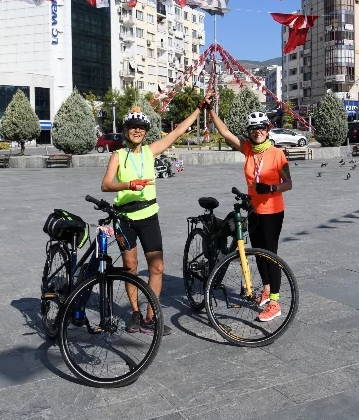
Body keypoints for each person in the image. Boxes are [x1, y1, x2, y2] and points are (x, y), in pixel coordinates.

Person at [101, 99, 211, 335]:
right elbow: (106, 184)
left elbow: (178, 131)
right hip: (124, 218)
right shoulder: (118, 156)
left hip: (149, 215)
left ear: (146, 132)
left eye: (141, 128)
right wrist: (129, 184)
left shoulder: (151, 152)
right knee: (130, 267)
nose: (137, 131)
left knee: (157, 267)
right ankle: (135, 313)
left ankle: (151, 317)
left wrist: (199, 109)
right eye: (133, 127)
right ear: (126, 130)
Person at [206, 105, 293, 322]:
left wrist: (272, 188)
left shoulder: (277, 154)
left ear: (268, 129)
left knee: (270, 255)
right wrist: (210, 111)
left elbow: (289, 183)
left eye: (261, 127)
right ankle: (266, 290)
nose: (257, 131)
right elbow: (225, 133)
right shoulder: (247, 149)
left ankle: (275, 302)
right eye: (253, 128)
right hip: (253, 210)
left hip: (273, 211)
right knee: (258, 254)